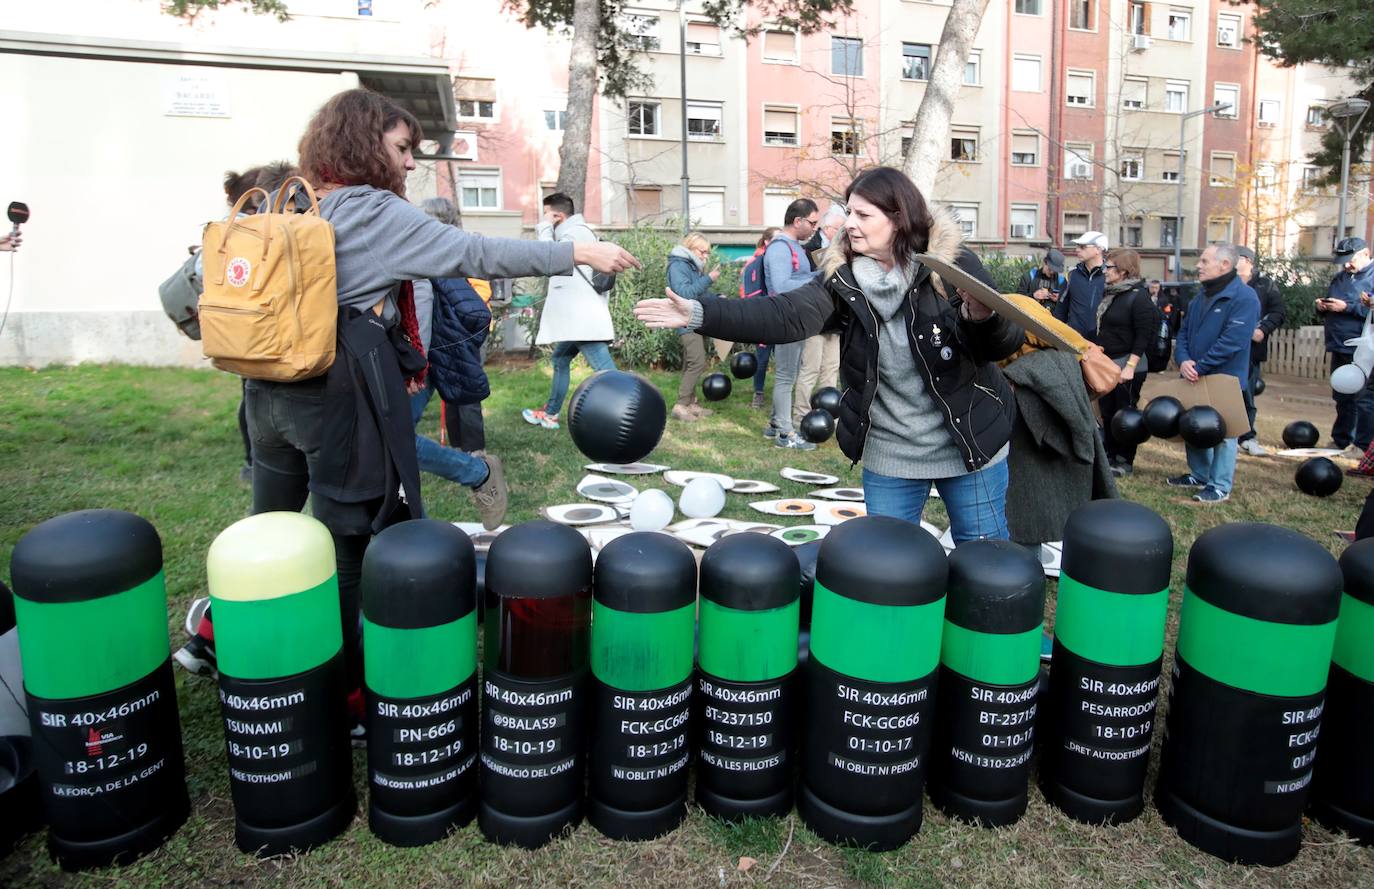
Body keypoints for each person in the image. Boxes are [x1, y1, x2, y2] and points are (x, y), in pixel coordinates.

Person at [174, 90, 639, 700]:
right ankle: (342, 692)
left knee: (272, 533)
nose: (411, 162)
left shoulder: (298, 201)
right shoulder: (369, 210)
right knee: (345, 552)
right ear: (365, 144)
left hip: (264, 395)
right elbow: (471, 252)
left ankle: (246, 652)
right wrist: (573, 249)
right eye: (401, 148)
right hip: (331, 398)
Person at [636, 166, 1024, 540]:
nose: (848, 222)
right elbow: (783, 315)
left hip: (970, 442)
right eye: (849, 211)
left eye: (862, 214)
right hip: (891, 454)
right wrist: (699, 311)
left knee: (983, 553)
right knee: (888, 568)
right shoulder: (843, 278)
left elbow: (1002, 344)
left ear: (898, 218)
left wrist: (982, 317)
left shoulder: (952, 264)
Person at [1167, 243, 1260, 503]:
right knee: (1193, 423)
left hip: (1225, 377)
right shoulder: (1200, 298)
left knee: (1224, 432)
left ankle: (1219, 485)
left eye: (1205, 261)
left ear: (1225, 265)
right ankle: (1199, 473)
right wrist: (1184, 360)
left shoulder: (1245, 298)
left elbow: (1234, 341)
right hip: (1194, 374)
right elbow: (1183, 333)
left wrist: (1200, 365)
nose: (1199, 265)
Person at [521, 192, 619, 430]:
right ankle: (551, 414)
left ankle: (629, 413)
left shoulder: (576, 234)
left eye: (547, 215)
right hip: (579, 319)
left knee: (607, 374)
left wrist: (544, 228)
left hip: (582, 320)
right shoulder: (575, 233)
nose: (544, 219)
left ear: (557, 216)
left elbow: (548, 259)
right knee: (560, 359)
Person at [415, 195, 494, 465]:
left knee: (466, 385)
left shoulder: (461, 247)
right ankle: (459, 444)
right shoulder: (427, 248)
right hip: (442, 332)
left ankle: (475, 449)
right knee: (449, 386)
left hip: (466, 332)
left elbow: (480, 293)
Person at [761, 198, 822, 450]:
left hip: (794, 318)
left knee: (789, 374)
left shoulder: (794, 246)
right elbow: (781, 285)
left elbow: (797, 278)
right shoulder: (779, 248)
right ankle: (785, 434)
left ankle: (775, 424)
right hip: (784, 318)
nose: (815, 228)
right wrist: (818, 279)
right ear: (798, 221)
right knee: (786, 376)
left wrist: (819, 274)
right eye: (813, 223)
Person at [1092, 248, 1156, 477]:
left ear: (1124, 270)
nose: (1105, 271)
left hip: (1128, 365)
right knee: (1108, 413)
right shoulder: (1112, 294)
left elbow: (1143, 335)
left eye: (1109, 267)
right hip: (1108, 364)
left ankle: (1124, 460)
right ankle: (1109, 455)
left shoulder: (1139, 297)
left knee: (1126, 416)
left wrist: (1129, 367)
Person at [1316, 237, 1374, 454]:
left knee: (1363, 399)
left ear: (1366, 253)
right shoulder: (1340, 278)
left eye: (1351, 259)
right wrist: (1323, 306)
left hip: (1363, 349)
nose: (1347, 264)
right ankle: (1341, 439)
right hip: (1339, 344)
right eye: (1344, 260)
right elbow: (1335, 303)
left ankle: (1362, 445)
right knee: (1342, 396)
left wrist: (1347, 307)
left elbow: (1370, 311)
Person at [793, 204, 846, 428]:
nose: (844, 232)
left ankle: (827, 417)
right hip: (814, 320)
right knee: (810, 370)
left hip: (835, 320)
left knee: (831, 370)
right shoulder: (808, 249)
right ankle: (801, 417)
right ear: (827, 228)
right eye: (839, 228)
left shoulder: (845, 250)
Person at [1234, 246, 1286, 456]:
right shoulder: (1226, 283)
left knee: (1246, 394)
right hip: (1226, 347)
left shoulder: (1265, 285)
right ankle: (1224, 434)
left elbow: (1279, 311)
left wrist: (1262, 329)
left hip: (1251, 350)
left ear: (1246, 260)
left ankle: (1247, 437)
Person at [666, 232, 720, 421]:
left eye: (707, 253)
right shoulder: (678, 265)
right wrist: (709, 279)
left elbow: (699, 294)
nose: (705, 256)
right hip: (685, 320)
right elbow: (684, 294)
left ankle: (691, 403)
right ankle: (680, 406)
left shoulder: (692, 266)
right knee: (697, 362)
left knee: (691, 362)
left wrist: (717, 299)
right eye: (702, 251)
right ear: (690, 248)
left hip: (695, 319)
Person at [747, 227, 779, 408]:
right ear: (767, 242)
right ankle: (758, 393)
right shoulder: (756, 263)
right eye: (776, 239)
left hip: (781, 318)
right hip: (764, 319)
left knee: (783, 359)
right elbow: (753, 294)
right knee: (762, 358)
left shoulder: (780, 260)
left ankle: (781, 397)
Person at [1054, 232, 1107, 338]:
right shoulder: (1071, 276)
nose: (1077, 249)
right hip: (1074, 341)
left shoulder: (1110, 277)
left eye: (1082, 246)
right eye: (1077, 246)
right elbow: (1060, 311)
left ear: (1098, 249)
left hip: (1102, 345)